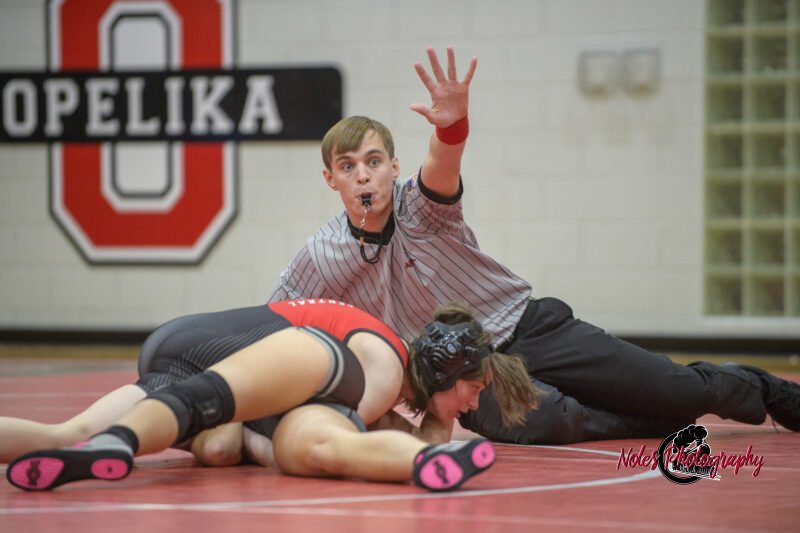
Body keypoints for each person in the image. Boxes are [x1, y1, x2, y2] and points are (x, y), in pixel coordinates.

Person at [264, 46, 800, 444]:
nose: (364, 176)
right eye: (348, 166)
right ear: (331, 179)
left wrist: (452, 129)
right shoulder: (322, 254)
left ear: (394, 167)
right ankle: (658, 423)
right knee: (553, 421)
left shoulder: (418, 205)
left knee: (678, 390)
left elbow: (442, 165)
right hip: (468, 372)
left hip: (529, 326)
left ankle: (766, 392)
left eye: (374, 161)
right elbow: (270, 318)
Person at [5, 298, 538, 492]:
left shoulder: (384, 366)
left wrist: (427, 428)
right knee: (256, 438)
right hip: (215, 354)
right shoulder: (380, 368)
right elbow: (297, 427)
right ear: (444, 371)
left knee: (71, 434)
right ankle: (127, 438)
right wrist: (433, 435)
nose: (473, 405)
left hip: (185, 344)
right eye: (474, 389)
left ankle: (110, 444)